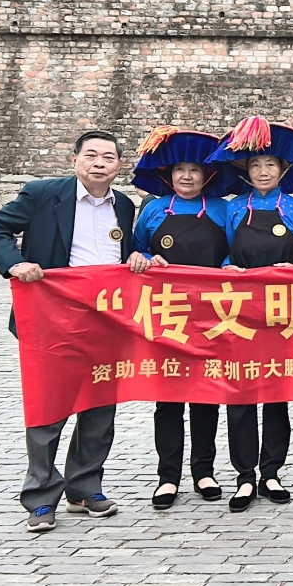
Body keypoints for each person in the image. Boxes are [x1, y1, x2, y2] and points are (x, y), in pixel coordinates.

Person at [0, 130, 136, 533]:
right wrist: (14, 263)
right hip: (53, 317)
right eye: (91, 155)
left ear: (119, 165)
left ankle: (85, 488)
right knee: (49, 407)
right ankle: (41, 497)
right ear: (75, 160)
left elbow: (125, 253)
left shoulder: (124, 205)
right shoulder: (42, 194)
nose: (99, 163)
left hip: (107, 320)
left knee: (100, 406)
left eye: (108, 157)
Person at [207, 115, 293, 512]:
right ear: (246, 170)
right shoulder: (234, 209)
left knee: (276, 394)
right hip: (239, 311)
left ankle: (271, 471)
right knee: (240, 393)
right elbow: (223, 253)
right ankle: (244, 475)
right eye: (255, 165)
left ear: (282, 169)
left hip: (282, 313)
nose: (263, 171)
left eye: (270, 164)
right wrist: (228, 268)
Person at [126, 127, 233, 511]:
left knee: (206, 396)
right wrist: (142, 258)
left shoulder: (223, 209)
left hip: (210, 314)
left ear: (207, 175)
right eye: (179, 170)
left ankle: (204, 471)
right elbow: (136, 250)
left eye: (194, 170)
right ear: (168, 175)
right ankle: (167, 476)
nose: (187, 177)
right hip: (166, 313)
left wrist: (227, 266)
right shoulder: (154, 210)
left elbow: (234, 252)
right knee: (168, 399)